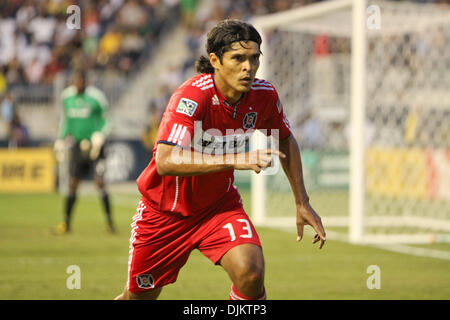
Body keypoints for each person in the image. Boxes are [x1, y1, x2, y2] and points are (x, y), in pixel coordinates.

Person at [115, 19, 326, 300]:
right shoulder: (192, 97)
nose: (248, 67)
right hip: (165, 212)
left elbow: (285, 138)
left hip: (218, 208)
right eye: (238, 58)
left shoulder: (264, 96)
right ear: (215, 60)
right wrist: (234, 159)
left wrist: (302, 201)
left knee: (250, 272)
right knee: (138, 298)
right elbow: (165, 160)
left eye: (254, 59)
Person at [54, 70, 115, 234]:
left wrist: (100, 135)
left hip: (95, 146)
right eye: (76, 81)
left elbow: (107, 120)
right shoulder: (67, 97)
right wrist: (61, 138)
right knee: (73, 183)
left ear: (85, 82)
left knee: (99, 181)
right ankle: (66, 223)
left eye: (81, 81)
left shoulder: (96, 97)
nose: (78, 84)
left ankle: (110, 222)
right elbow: (65, 120)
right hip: (77, 145)